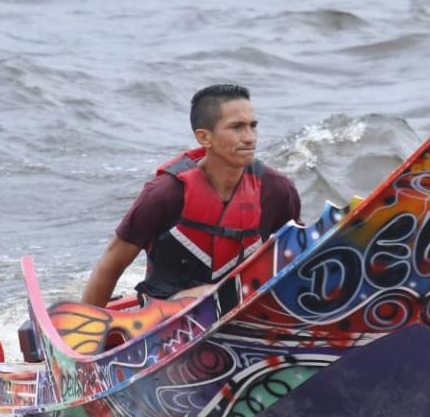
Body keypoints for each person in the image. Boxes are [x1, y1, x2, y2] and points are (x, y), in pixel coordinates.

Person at [81, 84, 302, 307]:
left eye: (252, 126)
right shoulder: (164, 194)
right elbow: (111, 265)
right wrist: (87, 326)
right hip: (165, 312)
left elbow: (298, 257)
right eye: (237, 127)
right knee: (208, 295)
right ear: (205, 138)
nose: (250, 137)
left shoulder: (277, 190)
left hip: (245, 303)